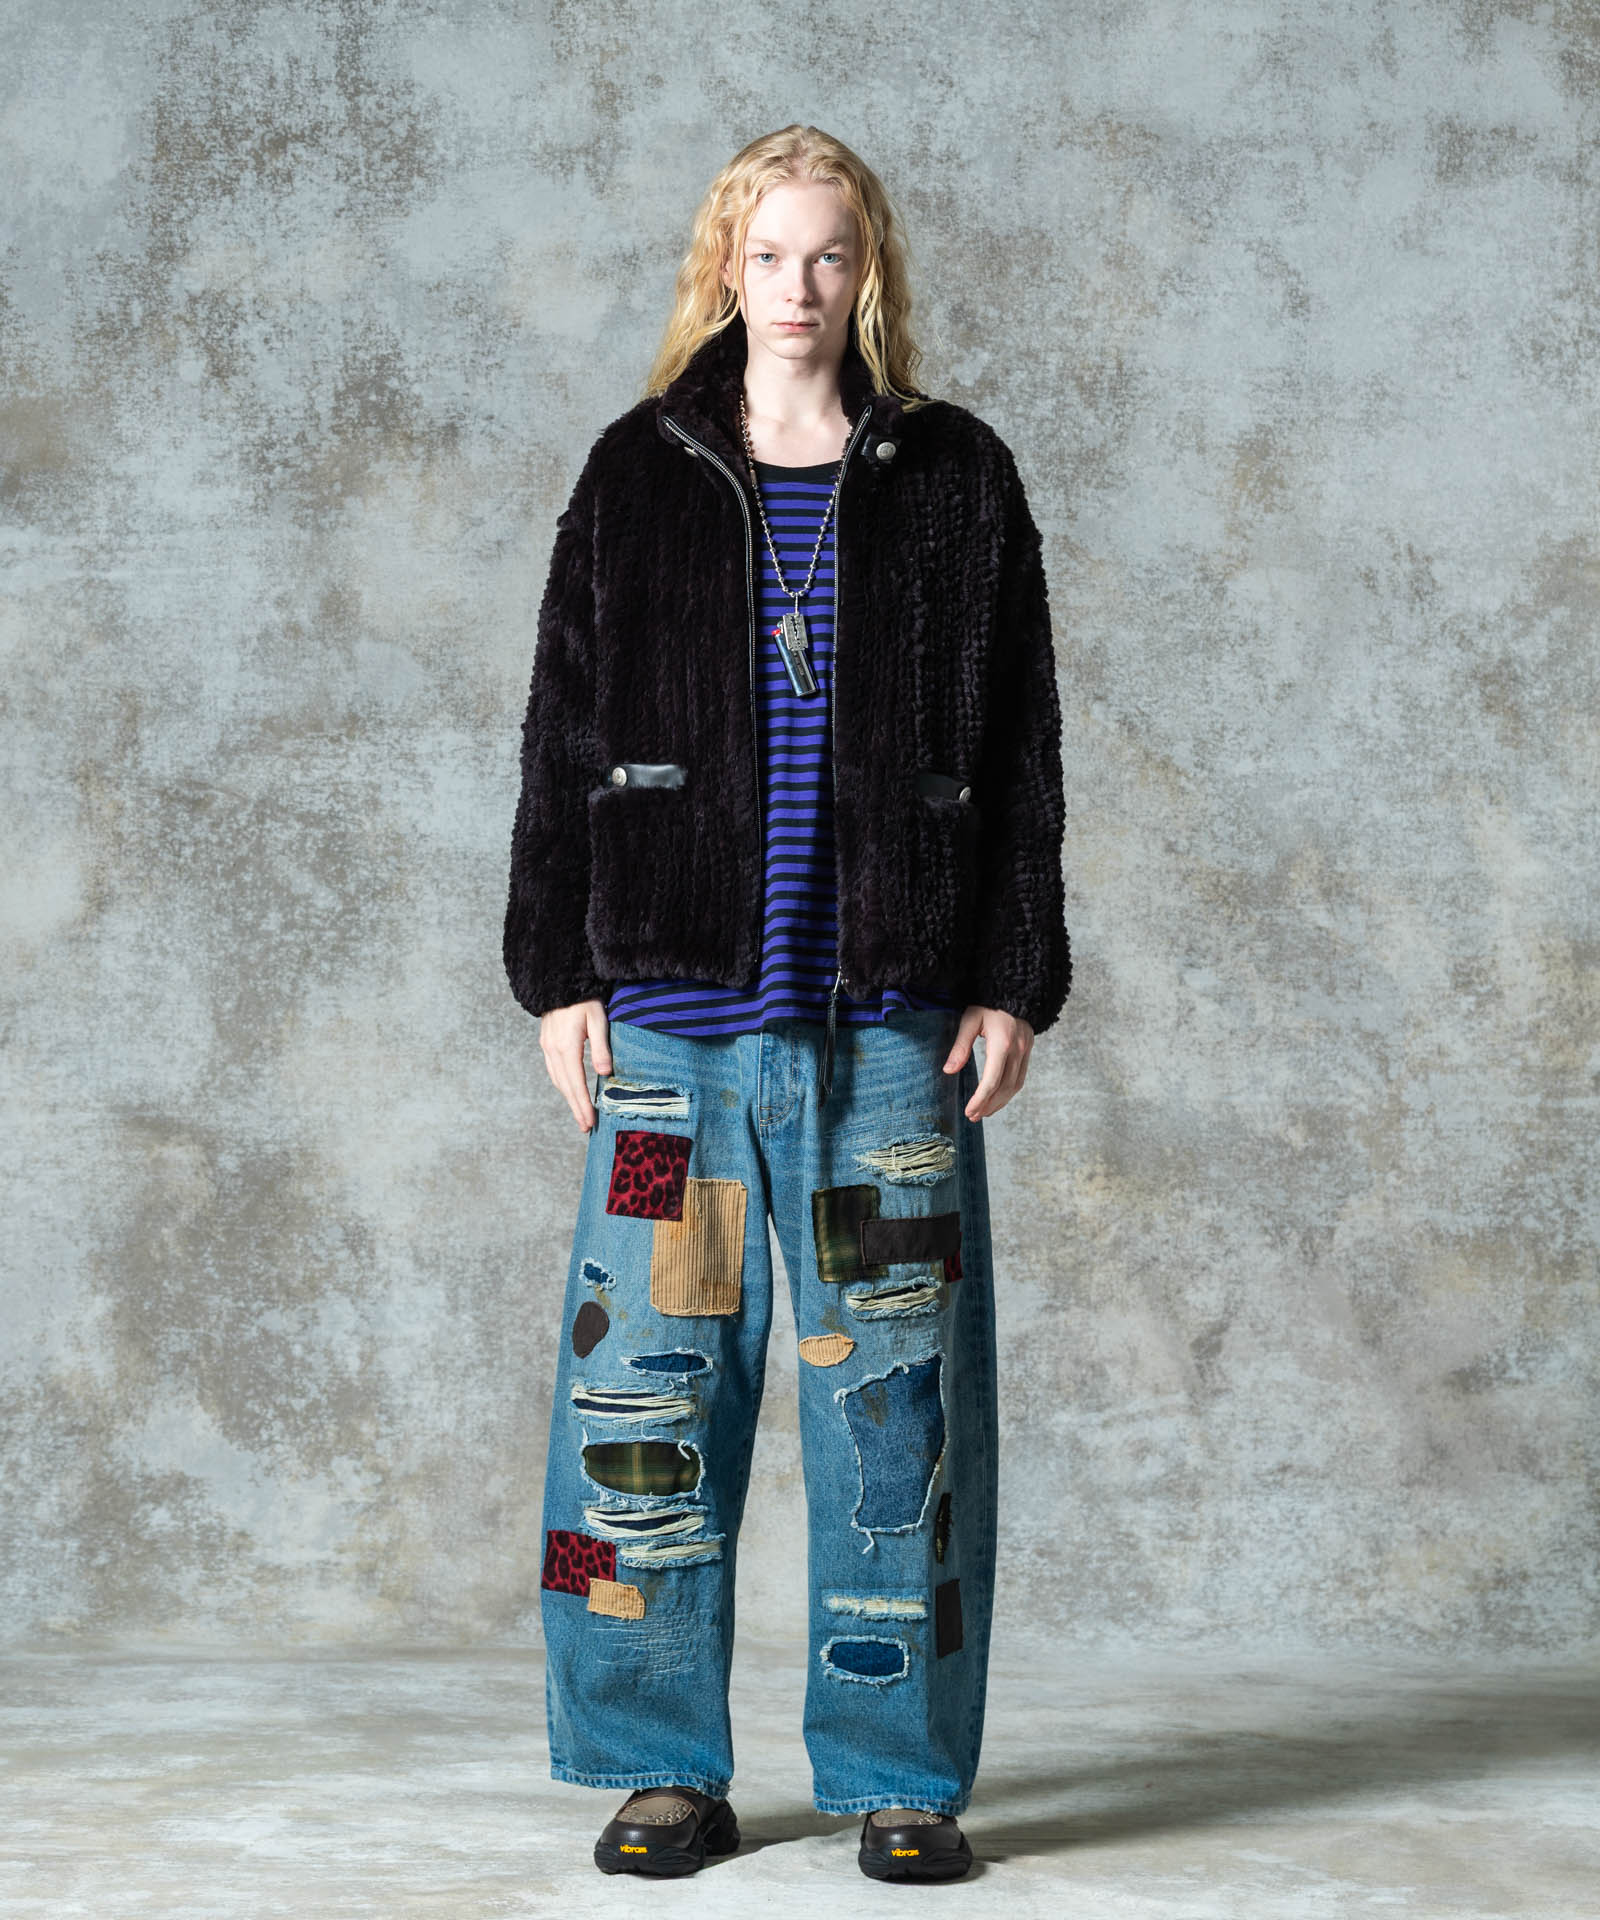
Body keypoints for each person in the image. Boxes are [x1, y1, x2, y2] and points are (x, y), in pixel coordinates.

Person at [503, 123, 1070, 1884]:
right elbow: (562, 727)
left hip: (889, 1033)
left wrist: (1013, 976)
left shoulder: (958, 478)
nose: (798, 286)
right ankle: (654, 1763)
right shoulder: (639, 471)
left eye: (829, 254)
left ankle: (901, 1778)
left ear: (868, 269)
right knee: (637, 1404)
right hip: (673, 1030)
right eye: (768, 255)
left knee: (899, 1412)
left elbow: (1023, 742)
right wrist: (556, 973)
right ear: (725, 270)